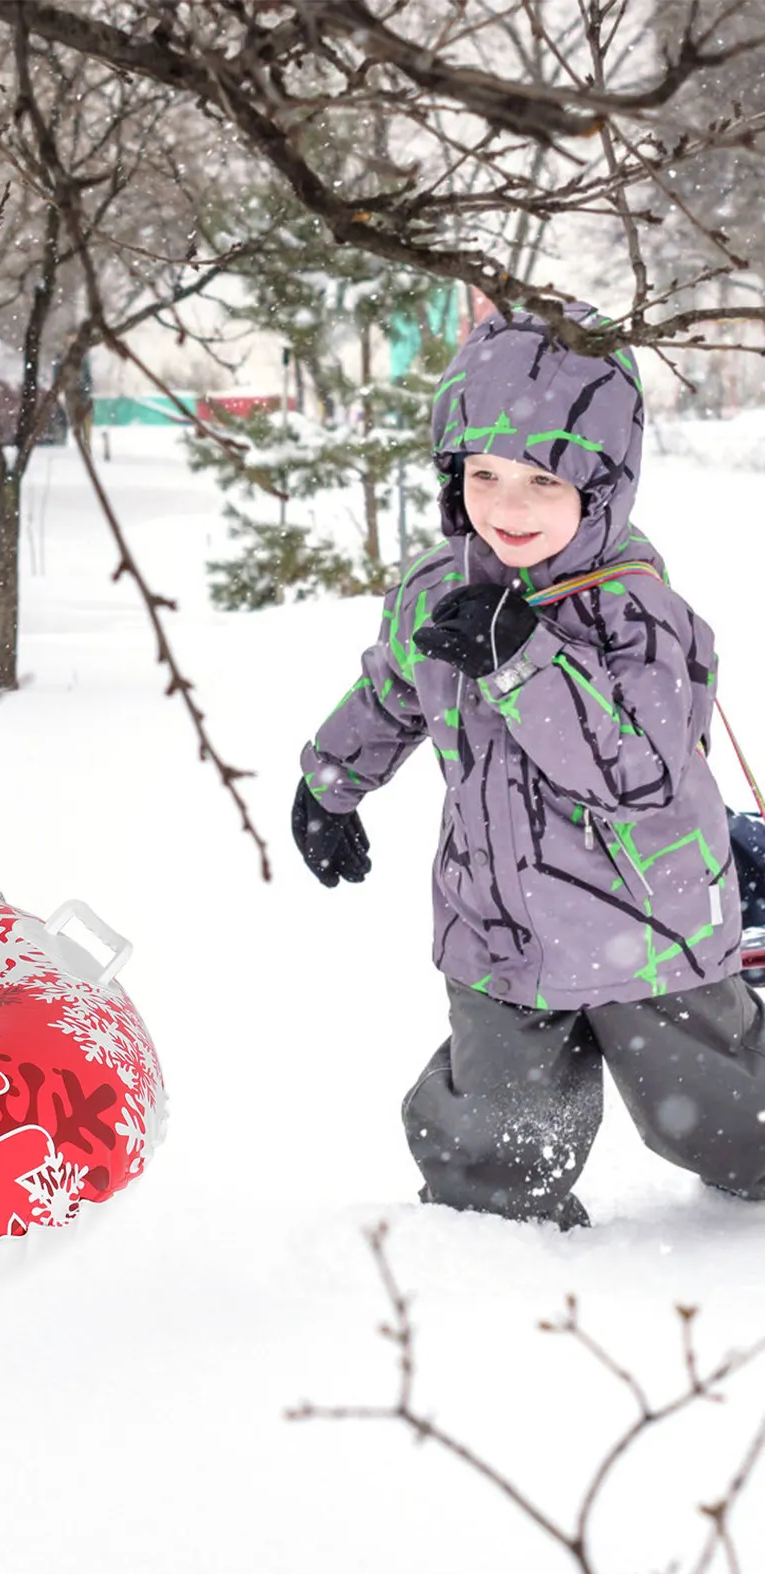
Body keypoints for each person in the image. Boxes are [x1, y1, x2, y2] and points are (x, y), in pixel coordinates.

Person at [293, 304, 765, 1228]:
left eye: (544, 480)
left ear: (602, 484)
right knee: (497, 1138)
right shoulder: (440, 588)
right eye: (483, 474)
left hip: (650, 924)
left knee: (719, 1119)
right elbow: (396, 687)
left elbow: (638, 770)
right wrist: (330, 783)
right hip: (498, 925)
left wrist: (522, 660)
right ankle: (490, 1250)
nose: (507, 506)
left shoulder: (637, 613)